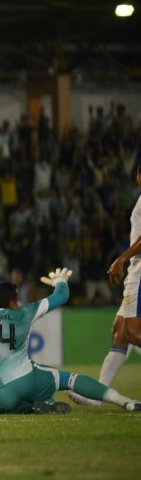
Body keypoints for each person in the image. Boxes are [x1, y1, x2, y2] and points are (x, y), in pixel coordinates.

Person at [0, 269, 140, 416]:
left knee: (21, 400)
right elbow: (62, 296)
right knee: (68, 380)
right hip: (23, 380)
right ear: (12, 303)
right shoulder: (23, 313)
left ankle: (39, 405)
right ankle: (125, 402)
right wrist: (60, 281)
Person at [68, 166, 141, 407]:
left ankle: (96, 395)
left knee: (131, 331)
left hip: (140, 273)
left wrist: (121, 258)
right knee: (120, 333)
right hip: (136, 272)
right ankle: (98, 395)